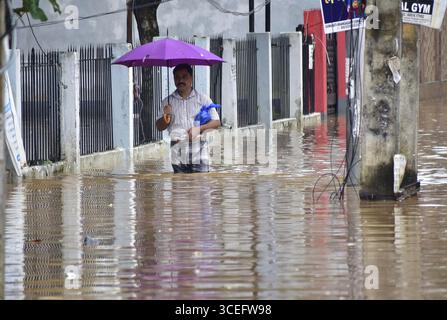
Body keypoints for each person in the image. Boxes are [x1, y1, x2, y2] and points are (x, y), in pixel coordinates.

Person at [156, 64, 221, 173]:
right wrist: (165, 117)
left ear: (191, 78)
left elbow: (216, 122)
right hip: (177, 150)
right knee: (180, 186)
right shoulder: (167, 102)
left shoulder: (203, 99)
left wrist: (199, 129)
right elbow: (159, 127)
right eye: (177, 77)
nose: (180, 80)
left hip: (199, 149)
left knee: (200, 184)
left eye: (184, 76)